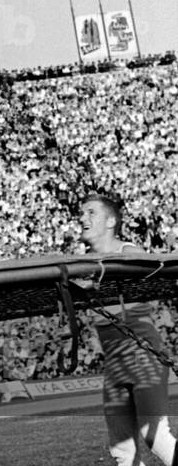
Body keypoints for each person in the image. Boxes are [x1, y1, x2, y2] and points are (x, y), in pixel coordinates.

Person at [79, 194, 176, 466]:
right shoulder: (82, 263)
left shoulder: (128, 252)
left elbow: (158, 273)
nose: (82, 218)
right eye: (82, 213)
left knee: (155, 437)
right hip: (114, 362)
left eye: (91, 212)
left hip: (143, 354)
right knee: (122, 451)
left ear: (111, 221)